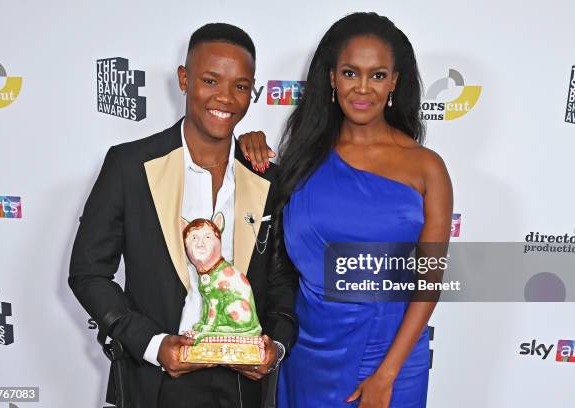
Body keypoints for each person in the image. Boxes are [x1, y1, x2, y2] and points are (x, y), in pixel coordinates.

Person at [69, 23, 298, 408]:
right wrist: (153, 345)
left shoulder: (267, 178)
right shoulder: (130, 165)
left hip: (243, 389)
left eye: (240, 86)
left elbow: (281, 284)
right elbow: (88, 272)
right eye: (211, 80)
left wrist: (274, 345)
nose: (225, 97)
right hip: (154, 383)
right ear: (184, 79)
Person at [238, 12, 452, 408]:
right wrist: (245, 144)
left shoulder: (427, 168)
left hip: (391, 359)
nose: (363, 88)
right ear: (332, 78)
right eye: (351, 73)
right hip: (309, 351)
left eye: (378, 74)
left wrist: (386, 375)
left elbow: (430, 281)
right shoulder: (302, 158)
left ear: (395, 82)